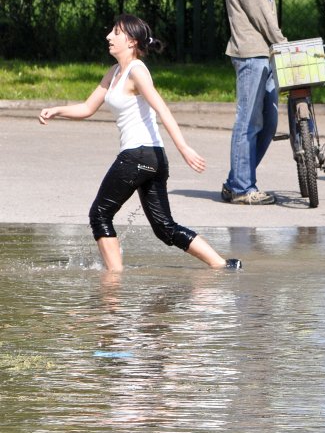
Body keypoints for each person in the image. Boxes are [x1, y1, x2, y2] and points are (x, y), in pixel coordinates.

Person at [38, 15, 240, 273]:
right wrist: (56, 110)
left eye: (116, 33)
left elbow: (162, 108)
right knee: (164, 228)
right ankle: (223, 265)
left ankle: (113, 280)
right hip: (152, 159)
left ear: (132, 41)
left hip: (138, 156)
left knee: (99, 214)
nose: (108, 36)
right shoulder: (113, 73)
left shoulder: (137, 70)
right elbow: (88, 108)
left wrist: (184, 148)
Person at [221, 0, 286, 206]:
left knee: (269, 123)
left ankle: (237, 180)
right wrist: (281, 41)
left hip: (264, 52)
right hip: (250, 52)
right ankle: (242, 187)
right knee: (247, 122)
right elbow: (258, 9)